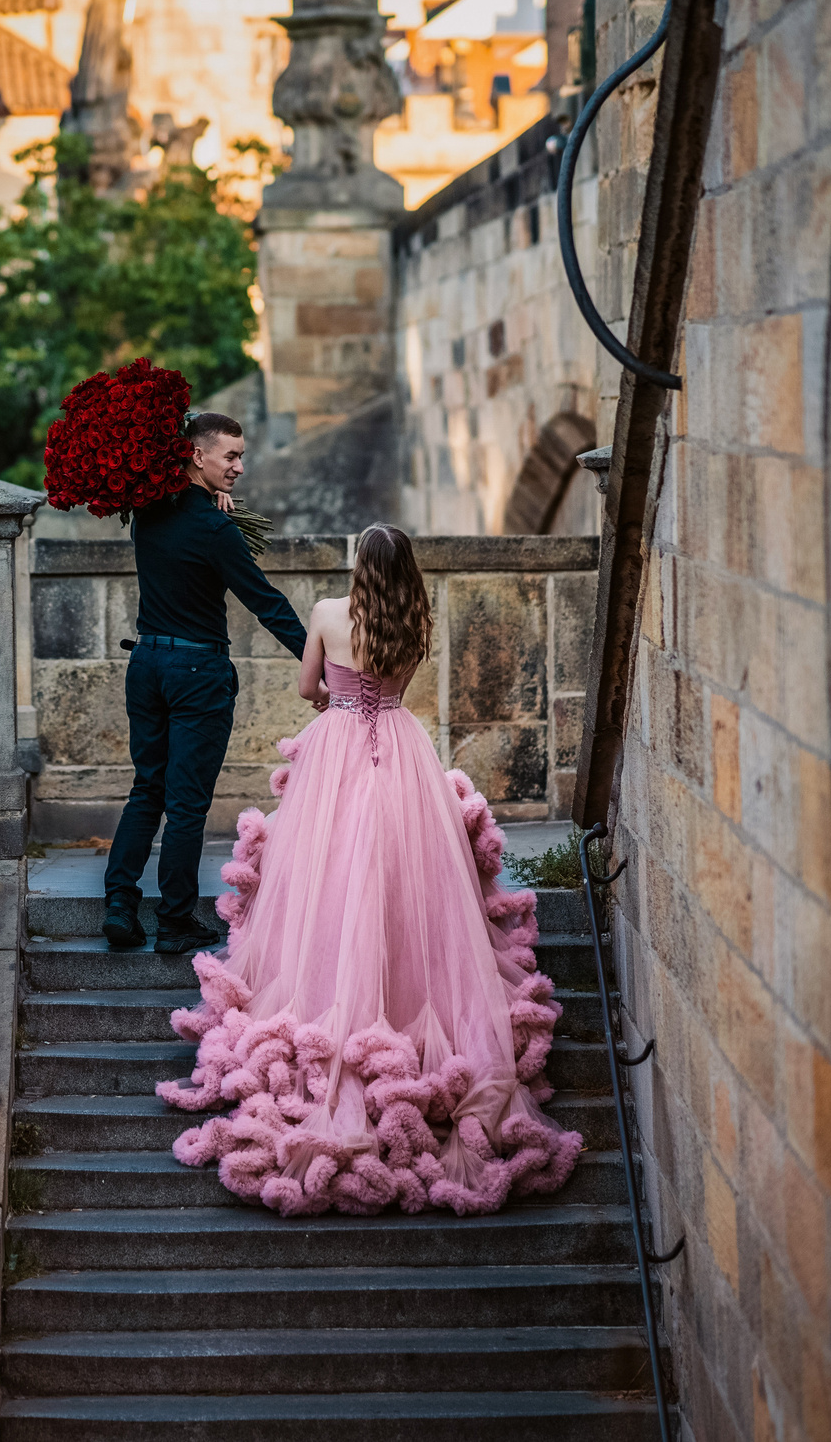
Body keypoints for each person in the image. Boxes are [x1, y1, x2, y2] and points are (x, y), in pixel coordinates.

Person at [158, 525, 586, 1215]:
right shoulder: (413, 618)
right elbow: (396, 689)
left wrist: (335, 696)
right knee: (401, 885)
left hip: (336, 751)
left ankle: (332, 1002)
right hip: (399, 749)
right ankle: (402, 1002)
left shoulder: (329, 614)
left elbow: (308, 690)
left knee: (327, 883)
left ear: (359, 563)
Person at [101, 411, 307, 955]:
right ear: (197, 455)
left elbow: (181, 524)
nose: (240, 466)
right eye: (231, 456)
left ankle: (119, 906)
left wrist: (215, 511)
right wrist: (320, 663)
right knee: (186, 803)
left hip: (145, 666)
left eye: (241, 456)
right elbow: (267, 603)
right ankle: (174, 922)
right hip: (197, 673)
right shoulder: (215, 529)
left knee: (147, 789)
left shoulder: (145, 514)